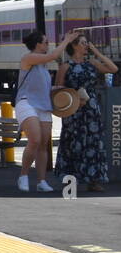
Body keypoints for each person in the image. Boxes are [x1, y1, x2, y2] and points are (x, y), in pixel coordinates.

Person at [15, 29, 83, 193]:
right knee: (35, 140)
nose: (48, 45)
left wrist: (58, 88)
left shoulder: (43, 68)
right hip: (27, 103)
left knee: (44, 144)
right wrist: (67, 40)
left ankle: (41, 181)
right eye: (45, 42)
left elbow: (43, 87)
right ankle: (23, 175)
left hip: (43, 105)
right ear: (38, 44)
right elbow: (52, 56)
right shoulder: (28, 58)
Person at [55, 32, 117, 192]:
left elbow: (113, 68)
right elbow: (58, 88)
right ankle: (70, 179)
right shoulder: (65, 66)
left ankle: (94, 180)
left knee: (93, 143)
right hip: (73, 107)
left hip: (91, 107)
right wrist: (74, 96)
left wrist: (96, 51)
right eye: (83, 43)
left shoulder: (92, 63)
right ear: (74, 46)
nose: (86, 46)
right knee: (73, 142)